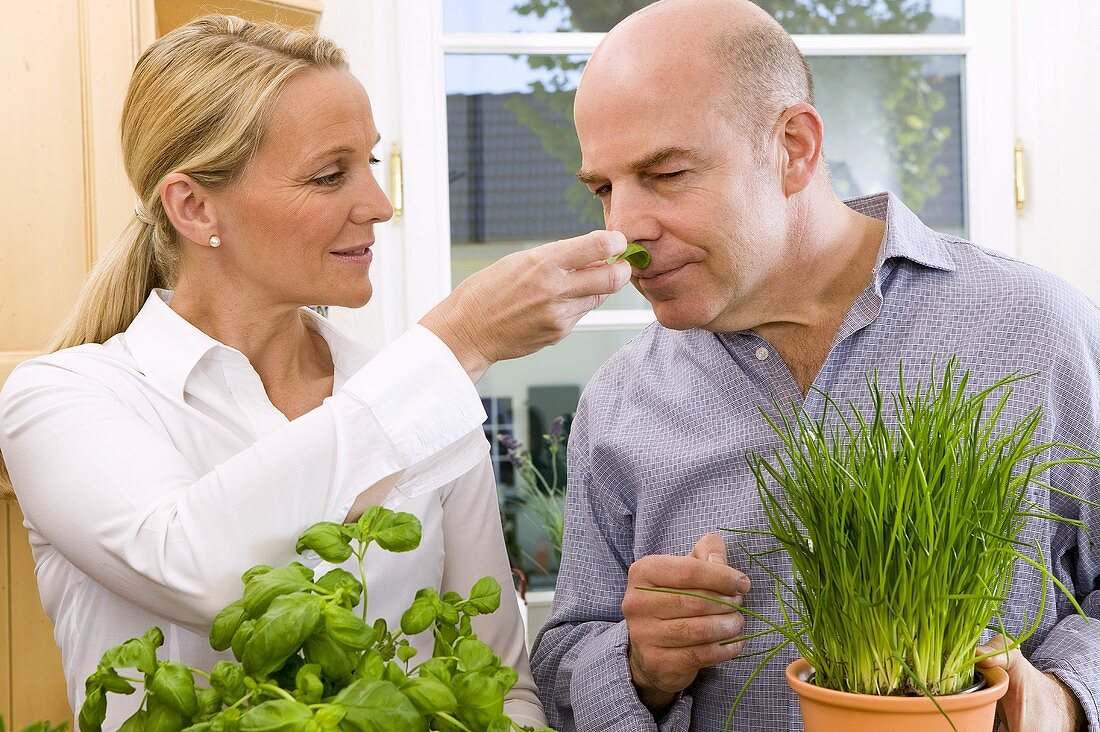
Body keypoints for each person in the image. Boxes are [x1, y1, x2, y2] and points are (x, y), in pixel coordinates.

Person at [0, 15, 633, 730]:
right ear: (194, 205)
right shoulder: (63, 399)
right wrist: (459, 338)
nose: (379, 204)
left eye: (369, 161)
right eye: (330, 175)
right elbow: (196, 569)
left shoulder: (419, 400)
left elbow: (501, 687)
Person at [529, 0, 1100, 730]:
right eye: (603, 190)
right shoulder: (621, 399)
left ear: (793, 148)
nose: (622, 231)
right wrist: (640, 667)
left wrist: (1064, 698)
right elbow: (562, 663)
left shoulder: (1036, 329)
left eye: (666, 173)